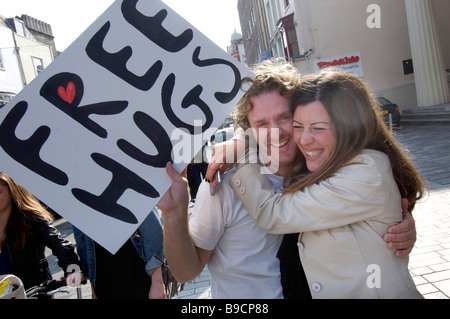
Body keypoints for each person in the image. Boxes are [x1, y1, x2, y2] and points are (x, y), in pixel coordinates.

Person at [158, 59, 417, 299]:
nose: (276, 133)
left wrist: (398, 226)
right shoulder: (224, 183)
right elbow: (186, 272)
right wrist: (173, 215)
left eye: (285, 118)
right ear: (249, 128)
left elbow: (367, 209)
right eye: (261, 124)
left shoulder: (323, 169)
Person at [228, 69, 426, 298]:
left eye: (318, 128)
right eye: (298, 125)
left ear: (348, 128)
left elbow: (272, 214)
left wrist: (241, 154)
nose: (303, 139)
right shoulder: (316, 164)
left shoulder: (366, 174)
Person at [0, 170, 82, 289]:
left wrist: (73, 270)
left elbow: (59, 244)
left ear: (11, 191)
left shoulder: (31, 219)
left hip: (32, 292)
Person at [73, 208, 167, 299]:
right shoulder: (76, 205)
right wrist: (93, 288)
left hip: (136, 272)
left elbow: (153, 232)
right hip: (103, 279)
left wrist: (157, 281)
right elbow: (83, 245)